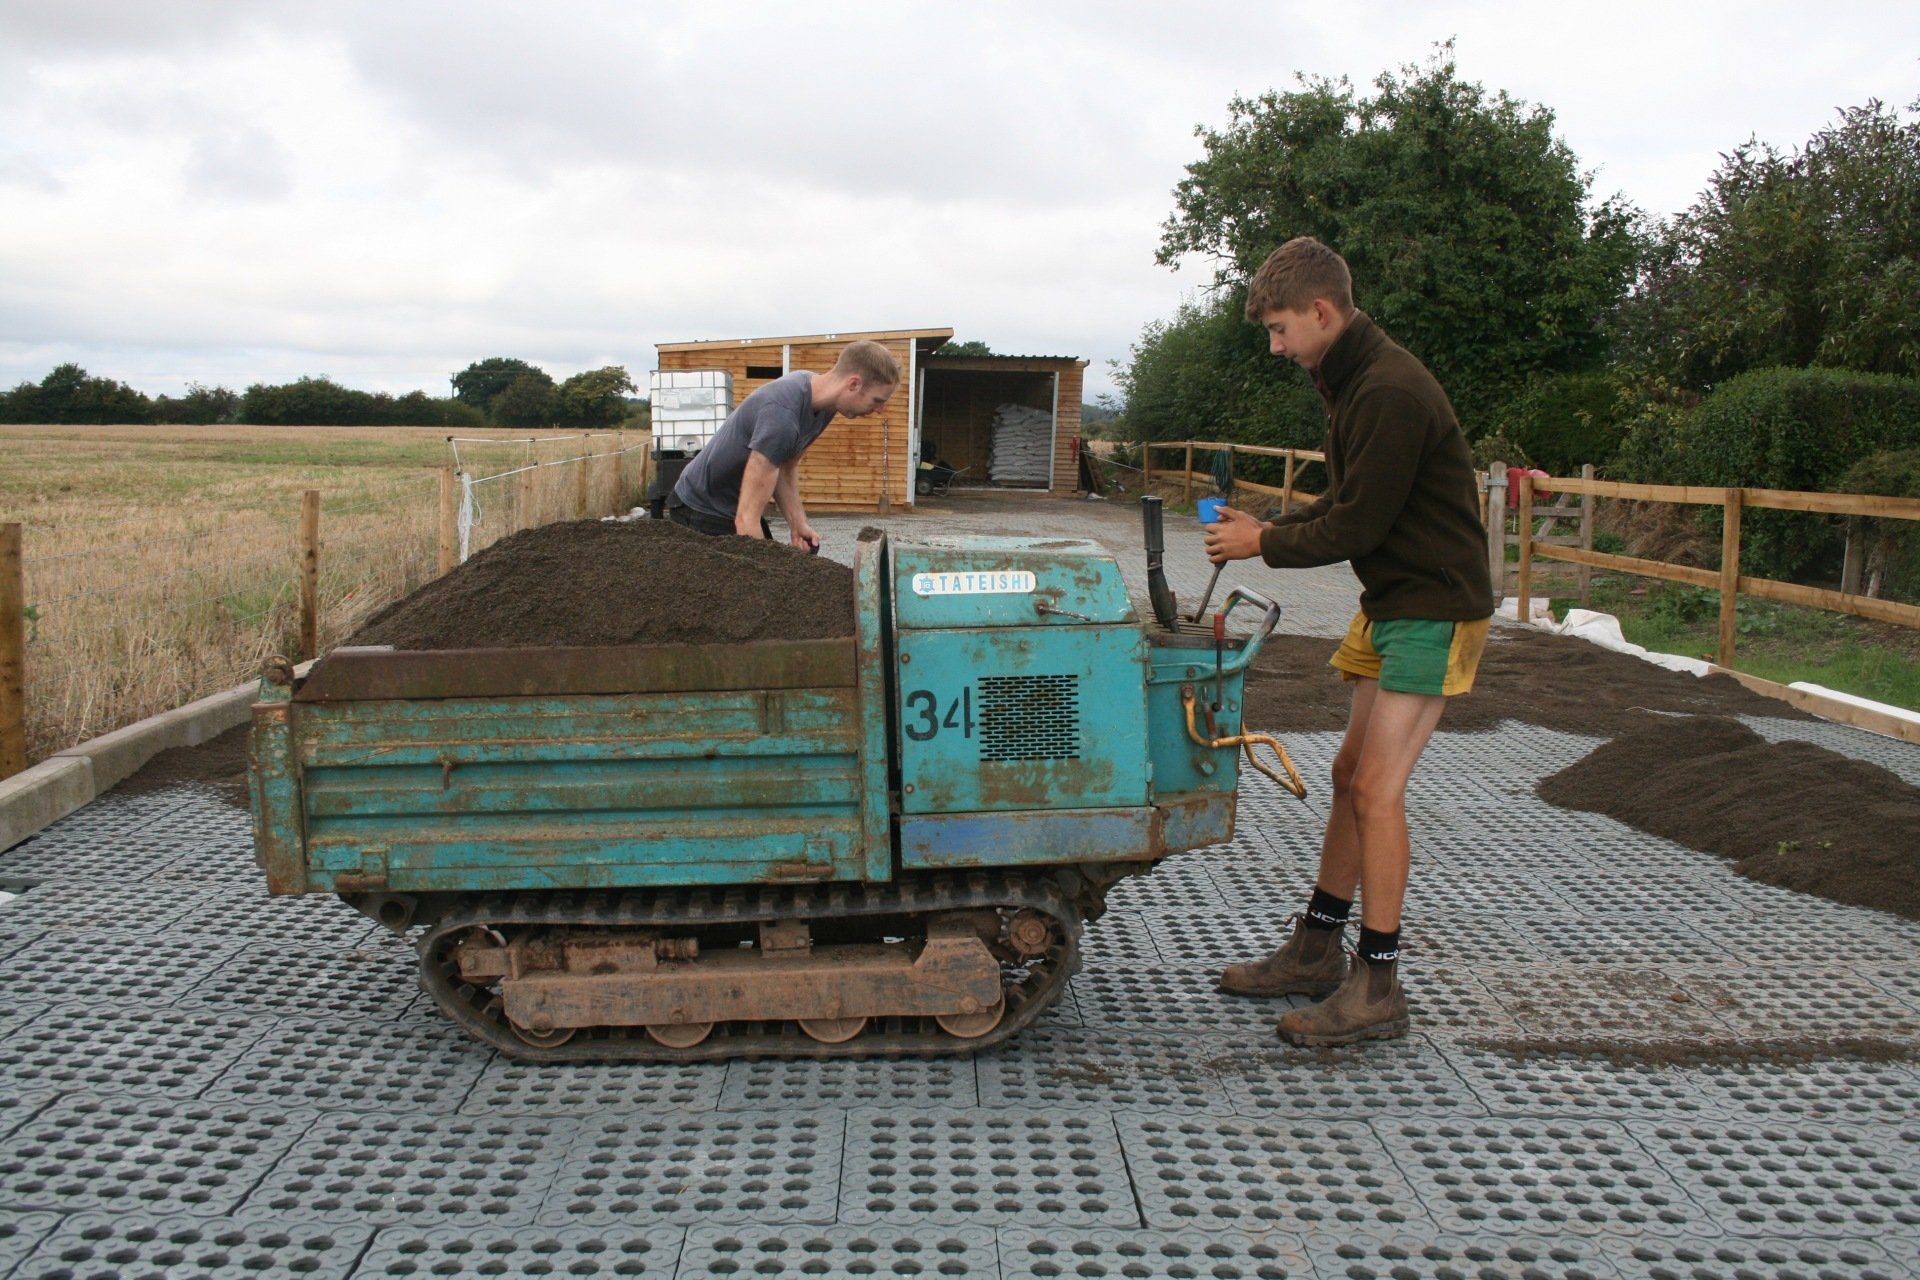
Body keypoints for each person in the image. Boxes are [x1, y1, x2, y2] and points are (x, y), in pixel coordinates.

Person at [1204, 236, 1493, 1047]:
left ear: (1322, 312)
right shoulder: (1356, 378)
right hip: (1393, 599)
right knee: (1345, 775)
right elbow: (1353, 495)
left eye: (1282, 329)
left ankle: (1378, 986)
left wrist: (1264, 544)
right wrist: (1271, 526)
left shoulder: (1389, 389)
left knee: (1376, 789)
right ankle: (1316, 951)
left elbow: (1359, 523)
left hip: (1434, 607)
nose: (1276, 346)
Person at [667, 340, 899, 546]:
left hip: (731, 507)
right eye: (877, 400)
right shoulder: (782, 415)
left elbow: (786, 465)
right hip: (699, 508)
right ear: (853, 384)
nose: (880, 410)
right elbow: (746, 520)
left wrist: (797, 523)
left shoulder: (823, 404)